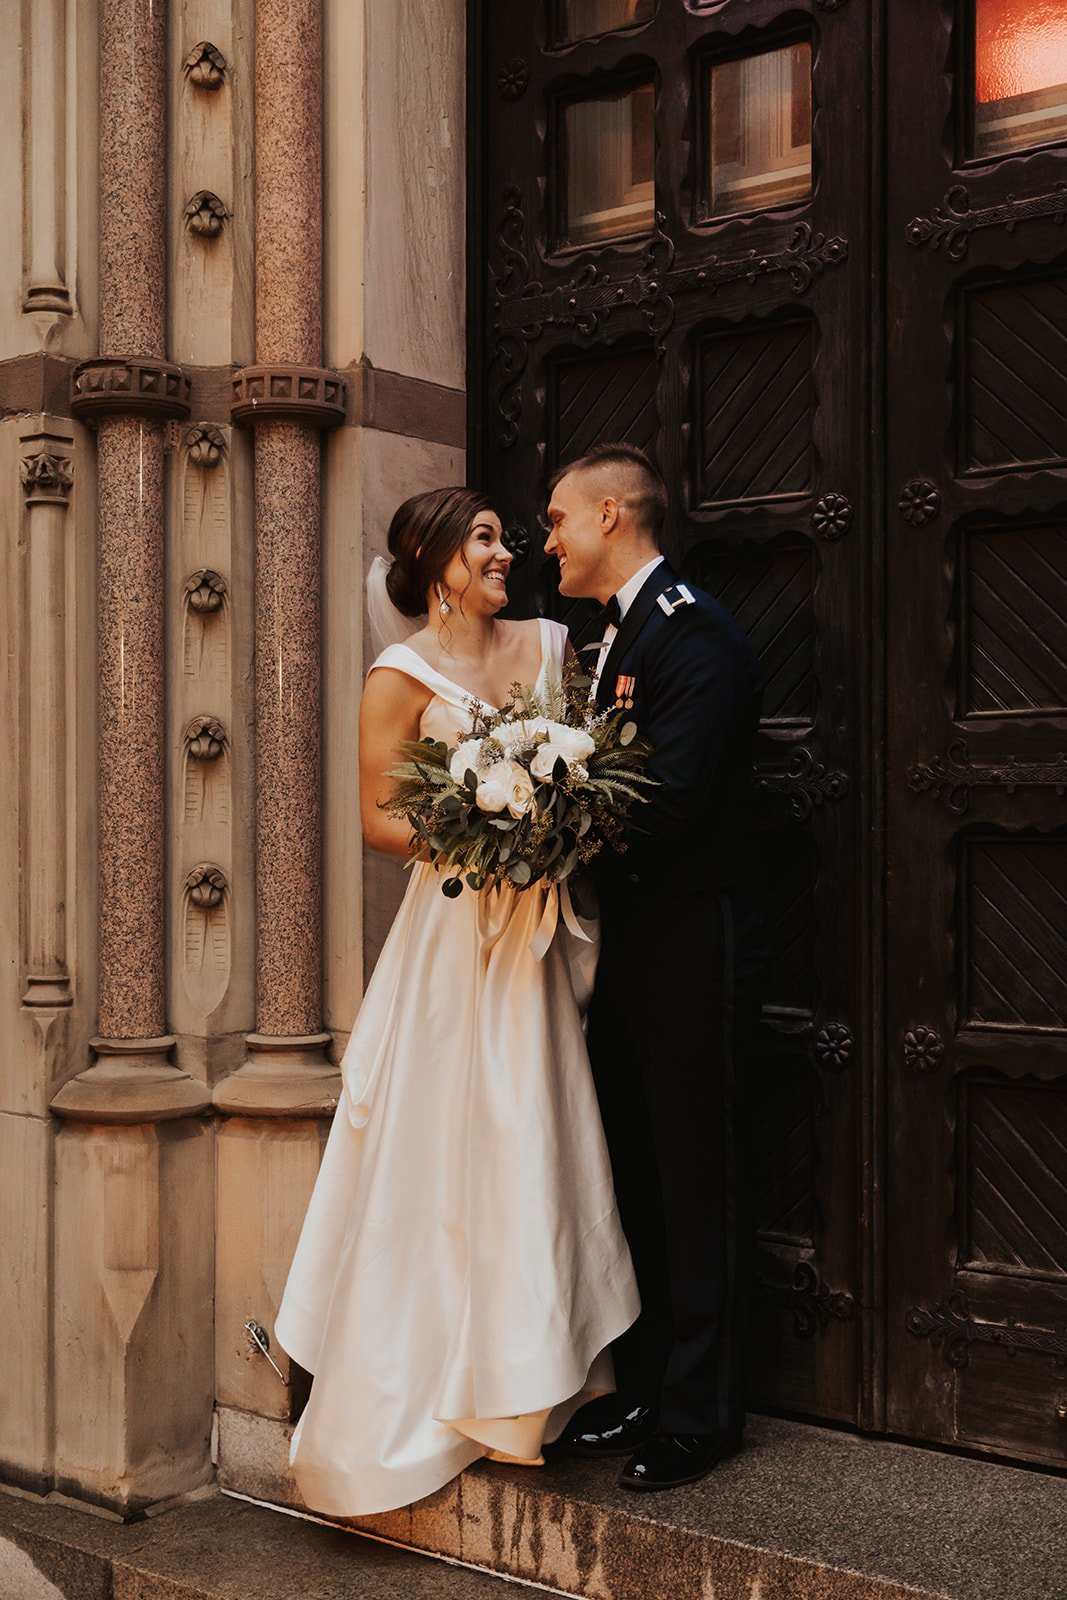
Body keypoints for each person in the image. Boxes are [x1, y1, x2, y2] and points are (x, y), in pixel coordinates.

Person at [274, 486, 639, 1518]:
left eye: (502, 537)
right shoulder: (398, 676)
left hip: (538, 925)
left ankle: (540, 1380)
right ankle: (439, 1384)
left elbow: (591, 765)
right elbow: (379, 820)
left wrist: (552, 827)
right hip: (454, 933)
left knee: (538, 1124)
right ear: (436, 560)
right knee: (458, 1132)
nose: (503, 551)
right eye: (481, 539)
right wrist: (488, 825)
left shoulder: (550, 644)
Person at [544, 443, 768, 1491]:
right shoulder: (617, 634)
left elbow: (669, 797)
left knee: (692, 1174)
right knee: (631, 1167)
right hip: (630, 937)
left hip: (688, 934)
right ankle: (640, 1386)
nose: (546, 540)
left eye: (555, 519)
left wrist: (539, 815)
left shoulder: (694, 630)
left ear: (608, 515)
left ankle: (699, 1414)